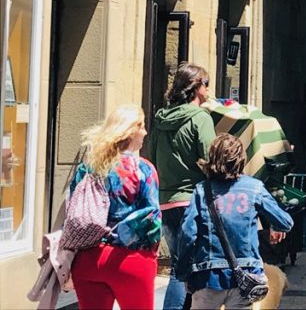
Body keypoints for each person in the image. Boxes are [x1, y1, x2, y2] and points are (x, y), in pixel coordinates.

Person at [176, 134, 293, 309]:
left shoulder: (201, 191)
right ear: (241, 160)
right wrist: (275, 226)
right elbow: (286, 222)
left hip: (208, 277)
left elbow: (187, 234)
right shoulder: (254, 188)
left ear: (212, 160)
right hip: (245, 278)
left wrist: (184, 272)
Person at [67, 105, 161, 310]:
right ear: (130, 131)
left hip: (88, 259)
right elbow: (152, 218)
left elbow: (72, 208)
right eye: (142, 127)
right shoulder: (143, 168)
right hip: (130, 259)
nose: (145, 132)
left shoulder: (87, 167)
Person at [146, 63, 217, 310]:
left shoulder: (160, 119)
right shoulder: (200, 118)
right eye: (206, 84)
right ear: (196, 87)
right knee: (192, 267)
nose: (209, 89)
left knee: (179, 265)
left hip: (166, 201)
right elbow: (211, 161)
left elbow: (151, 159)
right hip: (193, 202)